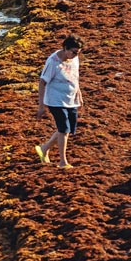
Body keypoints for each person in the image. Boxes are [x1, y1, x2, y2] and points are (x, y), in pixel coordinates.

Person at [35, 34, 83, 169]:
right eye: (73, 52)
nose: (75, 55)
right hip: (55, 100)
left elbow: (75, 77)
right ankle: (63, 162)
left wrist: (79, 95)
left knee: (68, 130)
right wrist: (41, 106)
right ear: (65, 48)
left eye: (77, 53)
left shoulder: (74, 59)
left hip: (71, 99)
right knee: (63, 129)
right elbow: (42, 82)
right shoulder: (53, 62)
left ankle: (44, 148)